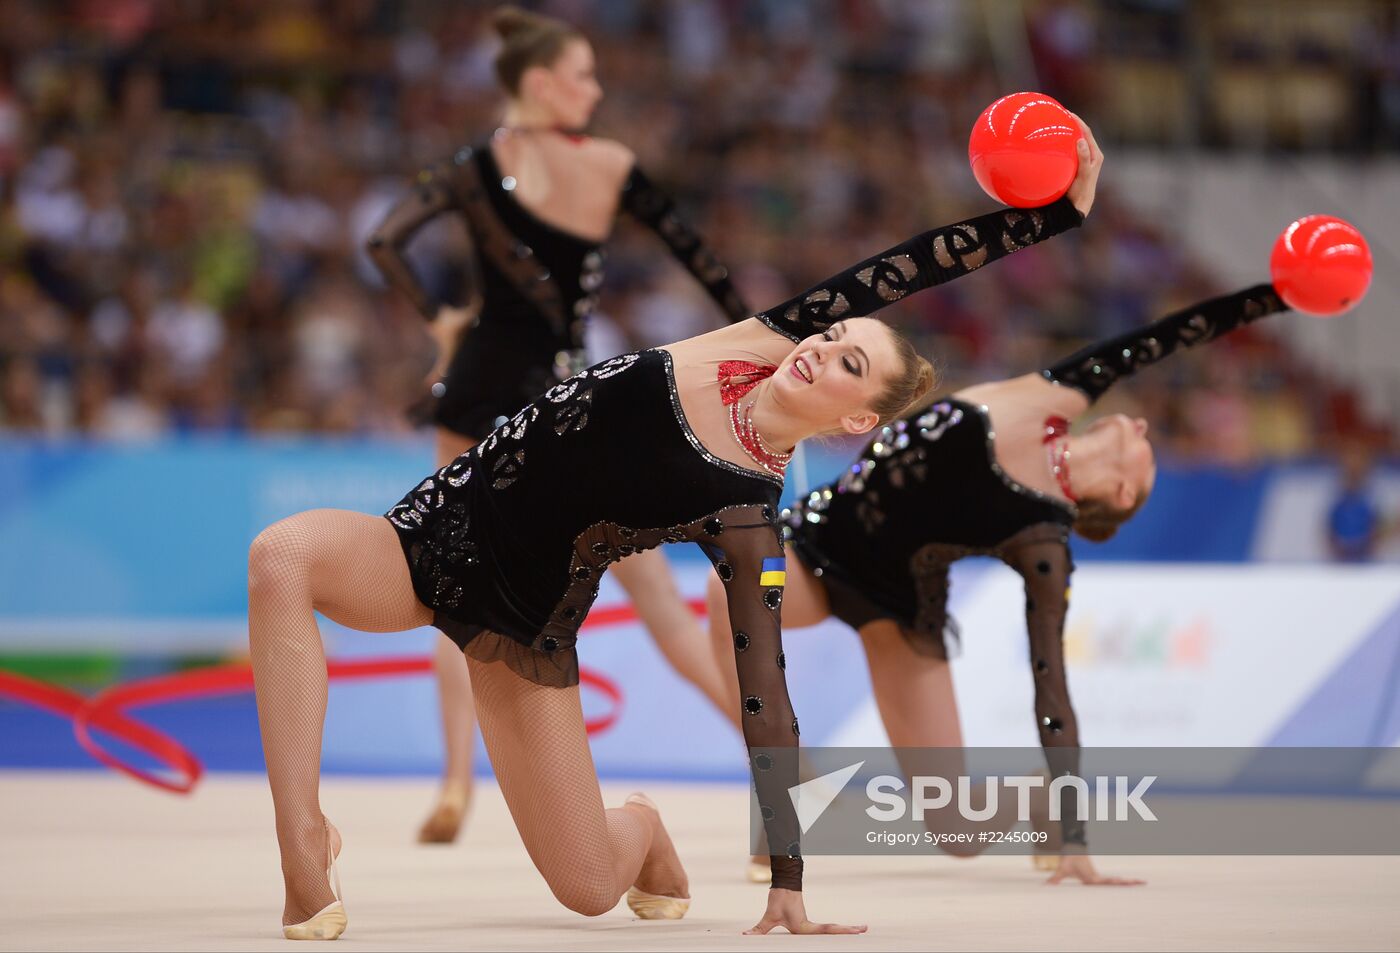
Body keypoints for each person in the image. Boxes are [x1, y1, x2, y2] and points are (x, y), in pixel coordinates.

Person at [247, 141, 1100, 937]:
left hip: (522, 622)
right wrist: (1051, 218)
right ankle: (303, 840)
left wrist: (788, 882)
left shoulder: (752, 525)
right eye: (834, 334)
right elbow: (912, 266)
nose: (823, 347)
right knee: (280, 557)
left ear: (852, 416)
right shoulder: (747, 343)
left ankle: (643, 827)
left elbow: (765, 690)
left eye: (848, 363)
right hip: (431, 534)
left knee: (586, 887)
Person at [706, 282, 1289, 886]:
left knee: (956, 829)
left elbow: (1051, 685)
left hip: (899, 609)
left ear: (1122, 495)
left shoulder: (1044, 543)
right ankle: (789, 789)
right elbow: (1163, 339)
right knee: (730, 599)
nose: (1140, 424)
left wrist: (1073, 828)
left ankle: (1038, 803)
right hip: (818, 541)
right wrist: (1273, 296)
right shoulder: (1048, 397)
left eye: (1147, 454)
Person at [366, 5, 752, 842]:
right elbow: (703, 260)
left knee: (443, 576)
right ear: (539, 82)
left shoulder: (470, 169)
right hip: (568, 398)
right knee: (657, 599)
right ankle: (776, 768)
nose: (596, 88)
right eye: (583, 74)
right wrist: (759, 337)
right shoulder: (610, 164)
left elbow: (385, 243)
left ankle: (455, 782)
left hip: (475, 385)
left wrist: (440, 320)